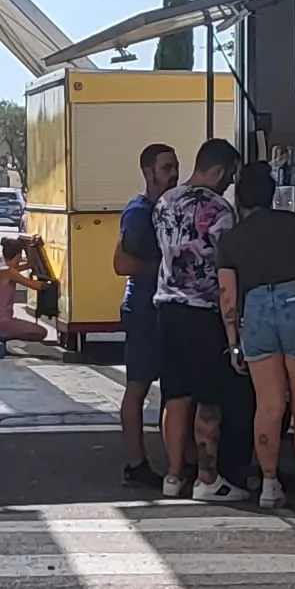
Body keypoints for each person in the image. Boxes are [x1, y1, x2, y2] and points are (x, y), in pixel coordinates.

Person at [216, 162, 295, 511]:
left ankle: (269, 486)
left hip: (257, 310)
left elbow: (227, 296)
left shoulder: (230, 239)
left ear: (240, 200)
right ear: (271, 195)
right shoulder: (293, 223)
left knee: (268, 405)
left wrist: (234, 342)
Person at [153, 139, 248, 501]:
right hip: (203, 312)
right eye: (230, 175)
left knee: (176, 395)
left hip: (167, 307)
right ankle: (208, 478)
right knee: (209, 398)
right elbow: (227, 265)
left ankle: (173, 475)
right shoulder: (219, 209)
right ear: (220, 170)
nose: (230, 183)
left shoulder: (164, 202)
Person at [114, 143, 177, 487]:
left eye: (176, 167)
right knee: (138, 386)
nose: (174, 174)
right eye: (167, 168)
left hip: (165, 308)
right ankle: (135, 463)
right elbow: (121, 263)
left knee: (175, 388)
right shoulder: (139, 213)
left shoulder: (168, 209)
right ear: (148, 172)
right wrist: (166, 268)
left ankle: (178, 462)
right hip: (143, 308)